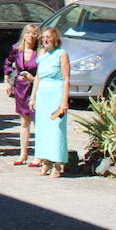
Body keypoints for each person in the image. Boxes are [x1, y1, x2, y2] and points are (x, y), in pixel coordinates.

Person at [31, 26, 70, 177]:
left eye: (48, 37)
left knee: (56, 128)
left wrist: (64, 101)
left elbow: (66, 78)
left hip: (56, 94)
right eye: (43, 37)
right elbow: (38, 77)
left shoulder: (62, 54)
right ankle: (45, 161)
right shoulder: (42, 55)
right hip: (43, 95)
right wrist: (33, 97)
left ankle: (57, 164)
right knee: (43, 129)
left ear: (55, 38)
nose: (45, 40)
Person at [3, 25, 41, 165]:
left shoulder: (39, 52)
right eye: (28, 33)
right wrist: (7, 81)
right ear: (23, 35)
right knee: (24, 122)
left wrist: (33, 78)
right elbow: (7, 63)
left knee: (37, 121)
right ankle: (23, 153)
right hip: (21, 88)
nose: (30, 36)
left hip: (34, 89)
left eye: (34, 34)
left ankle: (39, 154)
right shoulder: (17, 49)